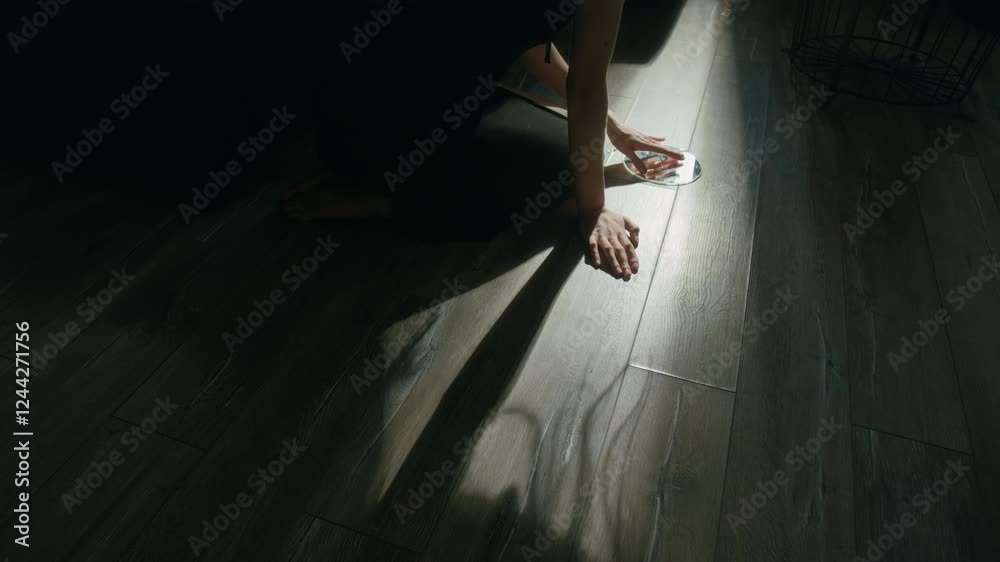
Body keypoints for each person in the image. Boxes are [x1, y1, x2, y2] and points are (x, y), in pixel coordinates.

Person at [285, 0, 683, 280]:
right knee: (564, 165)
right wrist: (593, 209)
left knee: (570, 146)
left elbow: (527, 37)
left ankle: (387, 187)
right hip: (369, 132)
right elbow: (584, 89)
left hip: (346, 120)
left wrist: (611, 125)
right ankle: (384, 203)